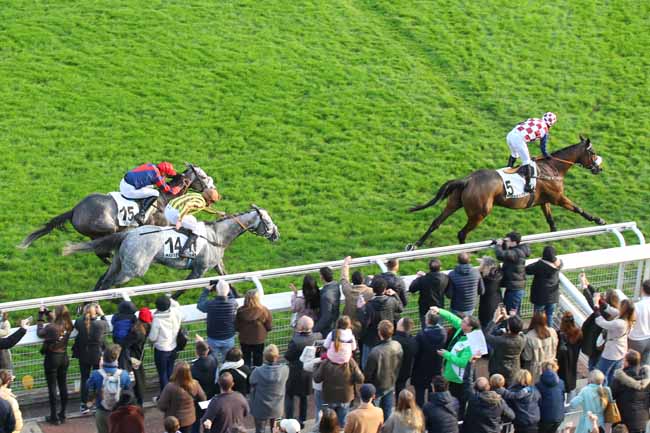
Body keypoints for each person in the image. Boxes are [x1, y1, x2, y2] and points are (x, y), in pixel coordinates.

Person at [433, 306, 481, 417]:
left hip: (459, 378)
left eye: (464, 321)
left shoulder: (471, 343)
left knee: (459, 402)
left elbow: (463, 362)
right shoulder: (463, 328)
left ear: (469, 327)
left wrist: (446, 354)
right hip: (454, 374)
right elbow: (452, 317)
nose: (461, 322)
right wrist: (439, 311)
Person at [37, 304, 74, 425]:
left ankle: (54, 416)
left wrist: (40, 316)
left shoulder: (51, 327)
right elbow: (57, 325)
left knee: (52, 387)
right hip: (64, 357)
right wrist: (48, 313)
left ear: (57, 314)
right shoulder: (68, 325)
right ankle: (62, 414)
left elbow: (39, 332)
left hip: (52, 359)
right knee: (63, 386)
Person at [72, 302, 110, 414]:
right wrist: (101, 313)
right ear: (95, 312)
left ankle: (83, 405)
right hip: (97, 356)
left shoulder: (79, 322)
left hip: (83, 355)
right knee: (98, 379)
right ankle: (97, 402)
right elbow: (107, 326)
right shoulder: (100, 324)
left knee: (85, 378)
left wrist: (85, 311)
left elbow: (79, 321)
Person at [313, 345, 365, 425]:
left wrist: (315, 366)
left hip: (328, 398)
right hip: (345, 398)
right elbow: (360, 379)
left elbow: (317, 379)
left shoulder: (325, 362)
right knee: (343, 423)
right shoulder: (350, 362)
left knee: (327, 422)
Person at [505, 112, 557, 192]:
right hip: (518, 139)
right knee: (527, 161)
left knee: (515, 154)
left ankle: (508, 168)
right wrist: (547, 155)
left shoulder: (534, 119)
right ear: (551, 124)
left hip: (510, 135)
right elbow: (543, 148)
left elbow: (520, 123)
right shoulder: (545, 131)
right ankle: (528, 185)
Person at [285, 316, 321, 427]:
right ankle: (302, 420)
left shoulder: (295, 341)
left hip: (295, 373)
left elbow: (288, 356)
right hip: (309, 373)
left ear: (300, 326)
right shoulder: (318, 337)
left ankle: (289, 420)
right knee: (304, 397)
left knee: (289, 395)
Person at [87, 345, 132, 433]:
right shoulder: (124, 374)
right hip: (119, 411)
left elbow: (88, 387)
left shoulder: (95, 374)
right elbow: (129, 392)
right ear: (117, 358)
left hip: (102, 410)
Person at [164, 188, 222, 257]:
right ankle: (183, 251)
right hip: (174, 214)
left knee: (193, 220)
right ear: (209, 200)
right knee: (197, 229)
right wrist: (179, 221)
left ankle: (183, 231)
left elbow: (203, 207)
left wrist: (216, 212)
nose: (212, 203)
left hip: (169, 208)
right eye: (212, 201)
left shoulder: (198, 196)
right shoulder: (200, 203)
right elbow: (188, 205)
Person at [359, 276, 403, 366]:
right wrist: (395, 294)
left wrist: (361, 308)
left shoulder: (369, 305)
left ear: (373, 290)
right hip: (387, 338)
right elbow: (400, 309)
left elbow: (364, 323)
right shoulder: (392, 301)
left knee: (367, 364)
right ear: (385, 289)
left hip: (371, 340)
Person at [365, 320, 404, 420]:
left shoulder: (375, 352)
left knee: (375, 417)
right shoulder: (397, 345)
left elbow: (368, 374)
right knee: (388, 414)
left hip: (377, 388)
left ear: (379, 333)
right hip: (391, 384)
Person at [462, 360, 515, 433]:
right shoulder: (499, 401)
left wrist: (470, 363)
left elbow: (467, 381)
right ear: (488, 386)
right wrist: (498, 418)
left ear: (475, 387)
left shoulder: (473, 398)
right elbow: (512, 416)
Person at [594, 297, 635, 385]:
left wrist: (596, 306)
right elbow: (609, 309)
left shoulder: (619, 323)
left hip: (611, 353)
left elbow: (601, 322)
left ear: (623, 309)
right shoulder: (627, 319)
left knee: (601, 374)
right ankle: (610, 393)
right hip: (621, 351)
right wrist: (600, 300)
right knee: (612, 375)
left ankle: (602, 393)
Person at [249, 344, 290, 433]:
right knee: (277, 430)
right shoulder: (285, 369)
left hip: (260, 407)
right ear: (278, 356)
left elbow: (251, 382)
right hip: (277, 408)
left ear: (264, 357)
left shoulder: (257, 371)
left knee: (260, 430)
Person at [158, 361, 207, 433]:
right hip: (189, 419)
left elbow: (161, 405)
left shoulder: (170, 387)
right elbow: (203, 398)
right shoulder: (195, 384)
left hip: (173, 421)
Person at [411, 310, 447, 406]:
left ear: (427, 320)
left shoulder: (421, 335)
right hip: (436, 367)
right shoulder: (444, 333)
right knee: (433, 392)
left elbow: (416, 352)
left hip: (421, 368)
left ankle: (421, 414)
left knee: (420, 394)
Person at [197, 280, 237, 364]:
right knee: (228, 362)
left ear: (216, 291)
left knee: (212, 363)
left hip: (213, 338)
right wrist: (227, 288)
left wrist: (206, 291)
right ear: (228, 290)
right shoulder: (233, 303)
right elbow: (232, 298)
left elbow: (200, 305)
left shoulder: (210, 304)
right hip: (228, 338)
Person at [149, 295, 183, 391]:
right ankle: (173, 391)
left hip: (161, 350)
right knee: (170, 371)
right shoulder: (176, 312)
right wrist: (170, 298)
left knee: (162, 373)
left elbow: (152, 337)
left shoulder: (157, 320)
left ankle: (165, 394)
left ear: (157, 307)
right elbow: (176, 305)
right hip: (173, 347)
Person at [611, 350, 650, 433]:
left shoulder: (620, 378)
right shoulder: (647, 378)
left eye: (624, 360)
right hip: (643, 420)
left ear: (627, 362)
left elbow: (612, 395)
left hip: (625, 420)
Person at [484, 307, 525, 386]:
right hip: (513, 370)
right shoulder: (523, 339)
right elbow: (519, 330)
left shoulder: (501, 341)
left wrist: (494, 320)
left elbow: (486, 335)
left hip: (497, 370)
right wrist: (508, 318)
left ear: (509, 328)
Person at [122, 307, 153, 406]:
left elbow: (125, 344)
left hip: (132, 359)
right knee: (140, 380)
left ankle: (134, 401)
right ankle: (139, 401)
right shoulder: (147, 329)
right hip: (138, 358)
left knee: (134, 380)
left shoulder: (135, 331)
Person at [493, 232, 530, 314]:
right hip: (515, 287)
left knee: (511, 314)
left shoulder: (516, 253)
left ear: (514, 242)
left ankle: (510, 326)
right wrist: (501, 244)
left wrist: (498, 245)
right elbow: (508, 254)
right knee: (513, 313)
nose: (506, 242)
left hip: (514, 289)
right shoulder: (519, 250)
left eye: (507, 240)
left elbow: (501, 255)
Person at [527, 246, 563, 326]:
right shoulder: (559, 263)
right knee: (549, 315)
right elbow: (560, 263)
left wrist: (540, 260)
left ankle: (536, 331)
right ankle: (550, 332)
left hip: (540, 297)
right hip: (553, 296)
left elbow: (528, 269)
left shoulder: (540, 265)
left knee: (537, 316)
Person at [236, 289, 273, 368]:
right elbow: (269, 327)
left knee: (246, 359)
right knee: (258, 359)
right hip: (259, 340)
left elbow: (237, 327)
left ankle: (246, 375)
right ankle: (258, 374)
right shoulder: (264, 310)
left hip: (244, 339)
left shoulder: (240, 311)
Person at [341, 258, 374, 342]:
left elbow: (344, 278)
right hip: (362, 327)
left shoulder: (347, 290)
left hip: (347, 326)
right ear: (363, 280)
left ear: (352, 281)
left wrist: (346, 264)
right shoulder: (370, 291)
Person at [409, 258, 450, 325]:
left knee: (426, 330)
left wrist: (418, 278)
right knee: (438, 328)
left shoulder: (422, 279)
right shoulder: (445, 277)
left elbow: (412, 288)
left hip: (425, 310)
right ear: (440, 268)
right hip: (439, 309)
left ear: (429, 268)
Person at [522, 312, 558, 382]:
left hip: (536, 371)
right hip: (551, 366)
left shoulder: (529, 336)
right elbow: (555, 349)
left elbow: (527, 357)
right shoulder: (553, 332)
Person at [446, 252, 485, 317]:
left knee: (457, 325)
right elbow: (482, 291)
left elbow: (449, 295)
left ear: (457, 261)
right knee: (467, 325)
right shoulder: (476, 272)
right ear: (469, 260)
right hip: (471, 306)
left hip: (456, 307)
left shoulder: (451, 274)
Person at [313, 263, 344, 336]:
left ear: (321, 277)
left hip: (328, 329)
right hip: (335, 321)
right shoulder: (336, 285)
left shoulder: (326, 296)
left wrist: (313, 330)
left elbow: (326, 317)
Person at [557, 312, 582, 397]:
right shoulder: (578, 333)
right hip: (573, 361)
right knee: (571, 385)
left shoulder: (559, 334)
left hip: (561, 363)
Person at [536, 361, 565, 433]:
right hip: (559, 416)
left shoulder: (539, 385)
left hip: (545, 418)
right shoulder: (561, 382)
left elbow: (537, 401)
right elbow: (563, 398)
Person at [393, 317, 417, 397]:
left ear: (402, 326)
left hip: (395, 370)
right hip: (406, 371)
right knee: (401, 388)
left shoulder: (395, 340)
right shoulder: (413, 340)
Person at [629, 280, 650, 366]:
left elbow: (631, 321)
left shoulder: (637, 306)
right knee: (645, 364)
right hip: (649, 338)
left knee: (632, 364)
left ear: (642, 289)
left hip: (636, 339)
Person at [477, 257, 503, 328]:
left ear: (485, 267)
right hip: (498, 302)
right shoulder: (499, 274)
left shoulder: (484, 279)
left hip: (486, 307)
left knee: (486, 325)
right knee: (497, 323)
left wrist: (480, 269)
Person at [111, 300, 137, 368]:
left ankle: (120, 369)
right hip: (127, 340)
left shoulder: (116, 316)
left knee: (119, 356)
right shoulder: (133, 317)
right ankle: (127, 370)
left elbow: (113, 322)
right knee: (126, 356)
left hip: (117, 339)